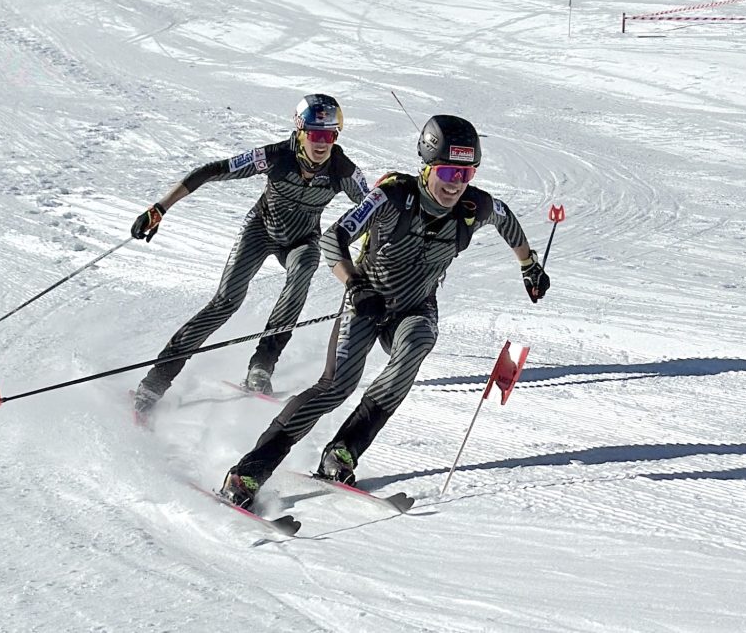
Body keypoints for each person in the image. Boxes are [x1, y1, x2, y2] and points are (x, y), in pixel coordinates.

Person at [220, 115, 550, 507]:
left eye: (465, 172)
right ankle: (248, 472)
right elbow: (333, 239)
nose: (455, 183)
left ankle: (342, 452)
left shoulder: (474, 206)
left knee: (419, 341)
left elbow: (507, 220)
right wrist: (355, 286)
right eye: (446, 170)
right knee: (336, 387)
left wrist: (529, 266)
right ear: (426, 166)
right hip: (366, 301)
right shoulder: (390, 198)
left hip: (414, 306)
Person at [130, 94, 370, 423]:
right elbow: (214, 171)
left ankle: (262, 366)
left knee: (304, 266)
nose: (322, 143)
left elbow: (372, 210)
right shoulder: (276, 156)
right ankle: (153, 385)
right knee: (225, 302)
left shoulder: (343, 170)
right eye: (315, 134)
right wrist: (159, 208)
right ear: (300, 132)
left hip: (302, 238)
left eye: (329, 135)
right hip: (259, 231)